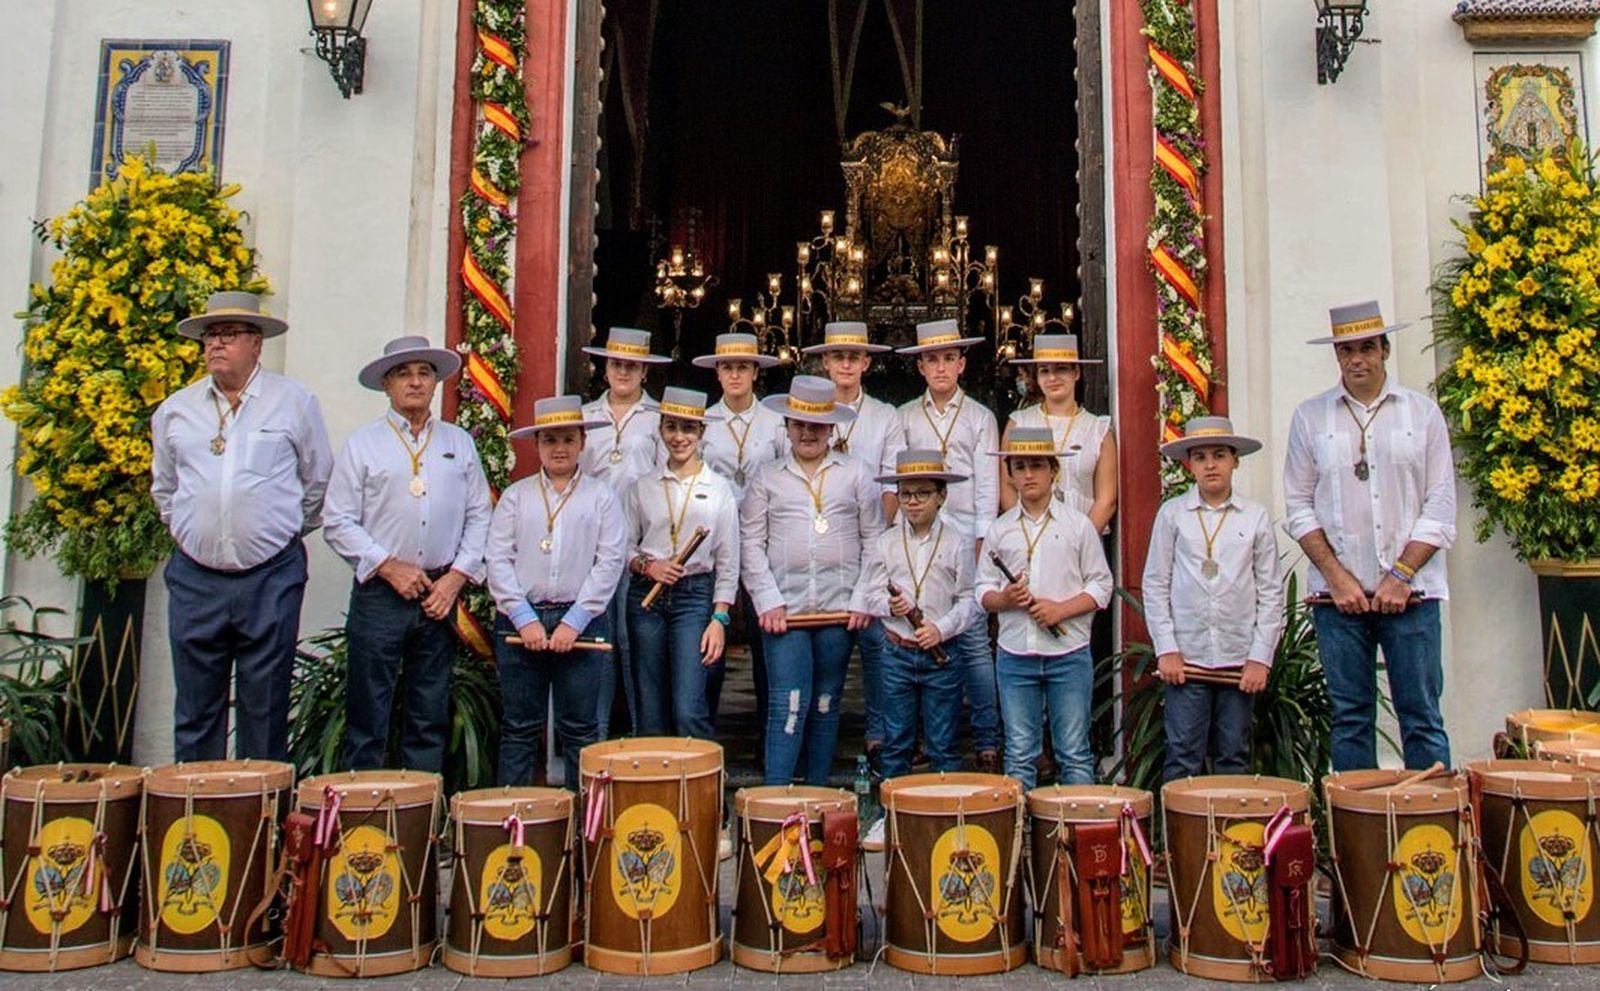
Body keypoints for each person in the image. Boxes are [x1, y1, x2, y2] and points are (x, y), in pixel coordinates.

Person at [151, 291, 333, 762]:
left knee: (264, 707)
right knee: (195, 708)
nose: (216, 345)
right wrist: (198, 533)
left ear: (256, 343)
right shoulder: (176, 410)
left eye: (228, 335)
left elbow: (316, 483)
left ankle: (261, 822)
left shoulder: (293, 402)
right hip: (196, 578)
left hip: (270, 575)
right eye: (210, 336)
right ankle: (197, 824)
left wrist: (275, 532)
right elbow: (166, 489)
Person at [1284, 300, 1456, 771]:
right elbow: (1298, 507)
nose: (1356, 359)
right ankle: (1358, 838)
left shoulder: (1421, 414)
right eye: (1346, 350)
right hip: (1339, 601)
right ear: (1337, 356)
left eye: (1365, 348)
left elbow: (1440, 507)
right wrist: (1337, 578)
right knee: (1350, 718)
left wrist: (1401, 575)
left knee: (1421, 716)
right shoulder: (1310, 417)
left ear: (1384, 350)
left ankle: (1431, 833)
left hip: (1413, 596)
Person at [323, 335, 492, 772]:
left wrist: (456, 578)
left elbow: (480, 516)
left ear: (436, 383)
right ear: (387, 385)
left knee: (428, 713)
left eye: (424, 373)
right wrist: (386, 564)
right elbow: (337, 520)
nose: (415, 382)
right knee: (368, 714)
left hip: (438, 594)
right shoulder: (363, 445)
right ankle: (363, 819)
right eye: (404, 373)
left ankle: (421, 820)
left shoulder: (459, 443)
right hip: (381, 593)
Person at [741, 376, 882, 785]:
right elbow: (750, 542)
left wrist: (861, 598)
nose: (807, 433)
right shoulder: (767, 478)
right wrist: (766, 600)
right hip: (785, 612)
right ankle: (775, 799)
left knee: (825, 702)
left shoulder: (856, 474)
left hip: (839, 609)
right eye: (798, 424)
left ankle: (819, 795)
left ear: (830, 428)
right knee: (788, 701)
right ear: (786, 426)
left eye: (816, 425)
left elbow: (874, 539)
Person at [488, 396, 625, 788]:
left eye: (568, 438)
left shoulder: (601, 497)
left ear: (583, 441)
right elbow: (497, 560)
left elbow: (609, 562)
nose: (559, 448)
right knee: (519, 727)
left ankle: (579, 833)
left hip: (580, 620)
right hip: (522, 622)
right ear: (536, 445)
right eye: (550, 440)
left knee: (580, 730)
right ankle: (511, 824)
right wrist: (524, 618)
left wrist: (575, 621)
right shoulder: (516, 497)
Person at [1143, 416, 1283, 782]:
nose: (1210, 465)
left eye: (1219, 455)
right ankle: (1179, 839)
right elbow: (1156, 584)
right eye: (1201, 457)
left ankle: (1229, 838)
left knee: (1233, 756)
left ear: (1234, 460)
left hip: (1238, 660)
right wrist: (1167, 649)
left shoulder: (1254, 517)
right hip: (1187, 659)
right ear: (1190, 464)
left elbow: (1270, 591)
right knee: (1183, 755)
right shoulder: (1173, 514)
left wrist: (1260, 658)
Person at [976, 427, 1112, 790]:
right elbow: (982, 590)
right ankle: (1022, 842)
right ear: (1011, 475)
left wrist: (1061, 610)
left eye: (1037, 465)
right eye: (1020, 467)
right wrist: (1004, 600)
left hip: (1067, 653)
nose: (1029, 474)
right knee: (1019, 753)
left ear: (1054, 470)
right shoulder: (1000, 530)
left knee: (1073, 752)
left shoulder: (1078, 526)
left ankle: (1079, 838)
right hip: (1015, 653)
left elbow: (1102, 586)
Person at [897, 318, 1003, 773]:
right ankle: (920, 735)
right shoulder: (905, 416)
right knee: (917, 633)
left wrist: (982, 539)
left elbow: (985, 485)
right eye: (931, 360)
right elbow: (902, 479)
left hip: (962, 535)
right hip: (918, 537)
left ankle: (986, 736)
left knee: (974, 642)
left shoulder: (980, 417)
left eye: (948, 358)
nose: (940, 368)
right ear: (920, 366)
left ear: (962, 363)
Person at [802, 321, 905, 770]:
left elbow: (893, 483)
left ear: (867, 362)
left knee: (879, 643)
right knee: (819, 646)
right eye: (836, 356)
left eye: (854, 356)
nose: (845, 363)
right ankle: (813, 730)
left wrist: (874, 539)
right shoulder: (806, 413)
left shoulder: (885, 417)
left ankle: (881, 733)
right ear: (824, 362)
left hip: (874, 545)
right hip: (819, 552)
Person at [624, 387, 740, 740]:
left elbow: (728, 562)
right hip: (646, 597)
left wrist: (719, 618)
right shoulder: (641, 486)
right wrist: (648, 566)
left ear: (702, 433)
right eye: (671, 427)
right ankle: (656, 794)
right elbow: (624, 548)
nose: (679, 437)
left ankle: (701, 791)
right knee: (651, 711)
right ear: (660, 430)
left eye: (688, 428)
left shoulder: (719, 489)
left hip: (694, 597)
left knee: (689, 707)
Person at [860, 450, 978, 780]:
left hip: (942, 654)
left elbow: (969, 599)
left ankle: (942, 821)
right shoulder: (885, 543)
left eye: (923, 493)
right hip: (897, 651)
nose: (913, 502)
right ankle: (893, 818)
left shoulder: (957, 542)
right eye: (906, 494)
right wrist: (889, 607)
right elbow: (869, 593)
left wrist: (941, 629)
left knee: (943, 745)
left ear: (942, 496)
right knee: (896, 742)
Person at [579, 326, 670, 737]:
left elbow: (668, 478)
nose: (623, 372)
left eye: (632, 365)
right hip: (593, 546)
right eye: (617, 364)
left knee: (634, 644)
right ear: (604, 367)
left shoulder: (657, 418)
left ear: (645, 371)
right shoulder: (584, 416)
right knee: (597, 644)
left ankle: (640, 739)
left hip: (640, 546)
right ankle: (593, 738)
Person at [693, 332, 786, 730]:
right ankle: (708, 729)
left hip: (764, 539)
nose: (735, 375)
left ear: (755, 373)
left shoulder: (776, 421)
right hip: (714, 541)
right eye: (727, 367)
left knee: (769, 640)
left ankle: (771, 731)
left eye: (743, 367)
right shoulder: (703, 420)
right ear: (717, 372)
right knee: (711, 636)